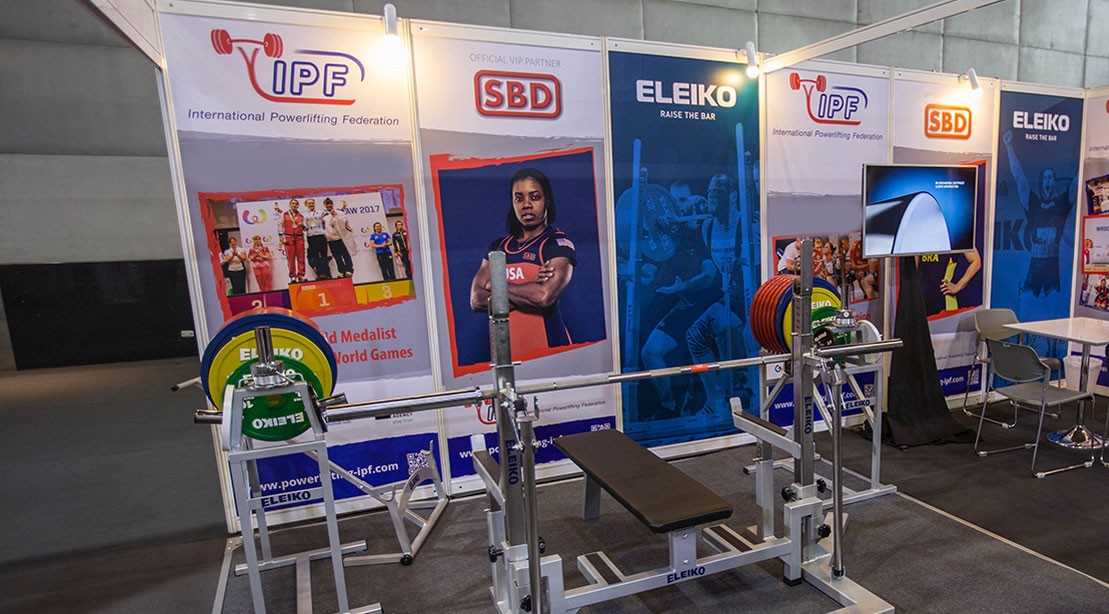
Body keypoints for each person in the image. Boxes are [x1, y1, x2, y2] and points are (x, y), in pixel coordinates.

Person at [470, 168, 576, 357]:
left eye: (534, 197)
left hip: (551, 352)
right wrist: (528, 291)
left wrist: (495, 285)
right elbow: (476, 300)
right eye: (519, 198)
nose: (526, 205)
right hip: (509, 355)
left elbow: (543, 296)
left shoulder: (556, 244)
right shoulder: (499, 247)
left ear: (547, 201)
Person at [638, 182, 720, 417]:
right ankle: (669, 406)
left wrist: (681, 286)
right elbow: (649, 275)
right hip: (685, 307)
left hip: (709, 306)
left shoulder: (702, 229)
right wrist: (629, 271)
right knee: (650, 353)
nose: (675, 209)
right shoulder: (667, 241)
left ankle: (713, 404)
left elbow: (708, 276)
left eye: (682, 201)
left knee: (697, 353)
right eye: (673, 203)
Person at [684, 173, 751, 418]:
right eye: (710, 191)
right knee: (695, 336)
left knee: (725, 329)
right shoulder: (708, 227)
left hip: (751, 298)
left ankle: (732, 396)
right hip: (728, 297)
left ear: (732, 195)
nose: (711, 196)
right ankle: (717, 399)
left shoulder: (745, 225)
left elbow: (756, 267)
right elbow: (711, 272)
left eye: (717, 192)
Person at [1003, 129, 1077, 301]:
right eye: (1046, 178)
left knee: (1052, 305)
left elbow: (1075, 184)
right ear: (1042, 182)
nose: (1048, 181)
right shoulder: (1033, 203)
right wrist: (1009, 147)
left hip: (1053, 265)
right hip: (1035, 264)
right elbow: (1019, 177)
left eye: (1051, 178)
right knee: (1028, 305)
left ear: (1054, 181)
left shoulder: (1061, 203)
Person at [274, 199, 306, 283]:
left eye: (296, 204)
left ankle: (301, 275)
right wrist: (281, 236)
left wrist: (303, 226)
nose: (294, 205)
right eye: (293, 204)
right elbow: (280, 225)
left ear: (298, 206)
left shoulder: (301, 216)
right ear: (290, 205)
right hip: (289, 237)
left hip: (299, 237)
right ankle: (292, 276)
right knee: (291, 258)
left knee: (301, 258)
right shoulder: (284, 215)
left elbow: (305, 228)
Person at [323, 198, 353, 278]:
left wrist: (336, 217)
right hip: (331, 239)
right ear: (325, 205)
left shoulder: (338, 213)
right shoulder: (323, 215)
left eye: (330, 204)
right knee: (337, 256)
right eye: (327, 204)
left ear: (332, 204)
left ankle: (349, 270)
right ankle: (341, 271)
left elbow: (344, 222)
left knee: (345, 255)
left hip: (340, 238)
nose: (329, 205)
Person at [303, 198, 330, 280]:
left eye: (312, 203)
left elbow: (327, 218)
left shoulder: (320, 212)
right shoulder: (304, 215)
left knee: (323, 255)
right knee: (315, 256)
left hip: (321, 235)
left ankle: (327, 273)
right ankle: (320, 274)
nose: (311, 204)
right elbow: (304, 227)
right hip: (311, 236)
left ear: (314, 204)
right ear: (306, 205)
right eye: (309, 203)